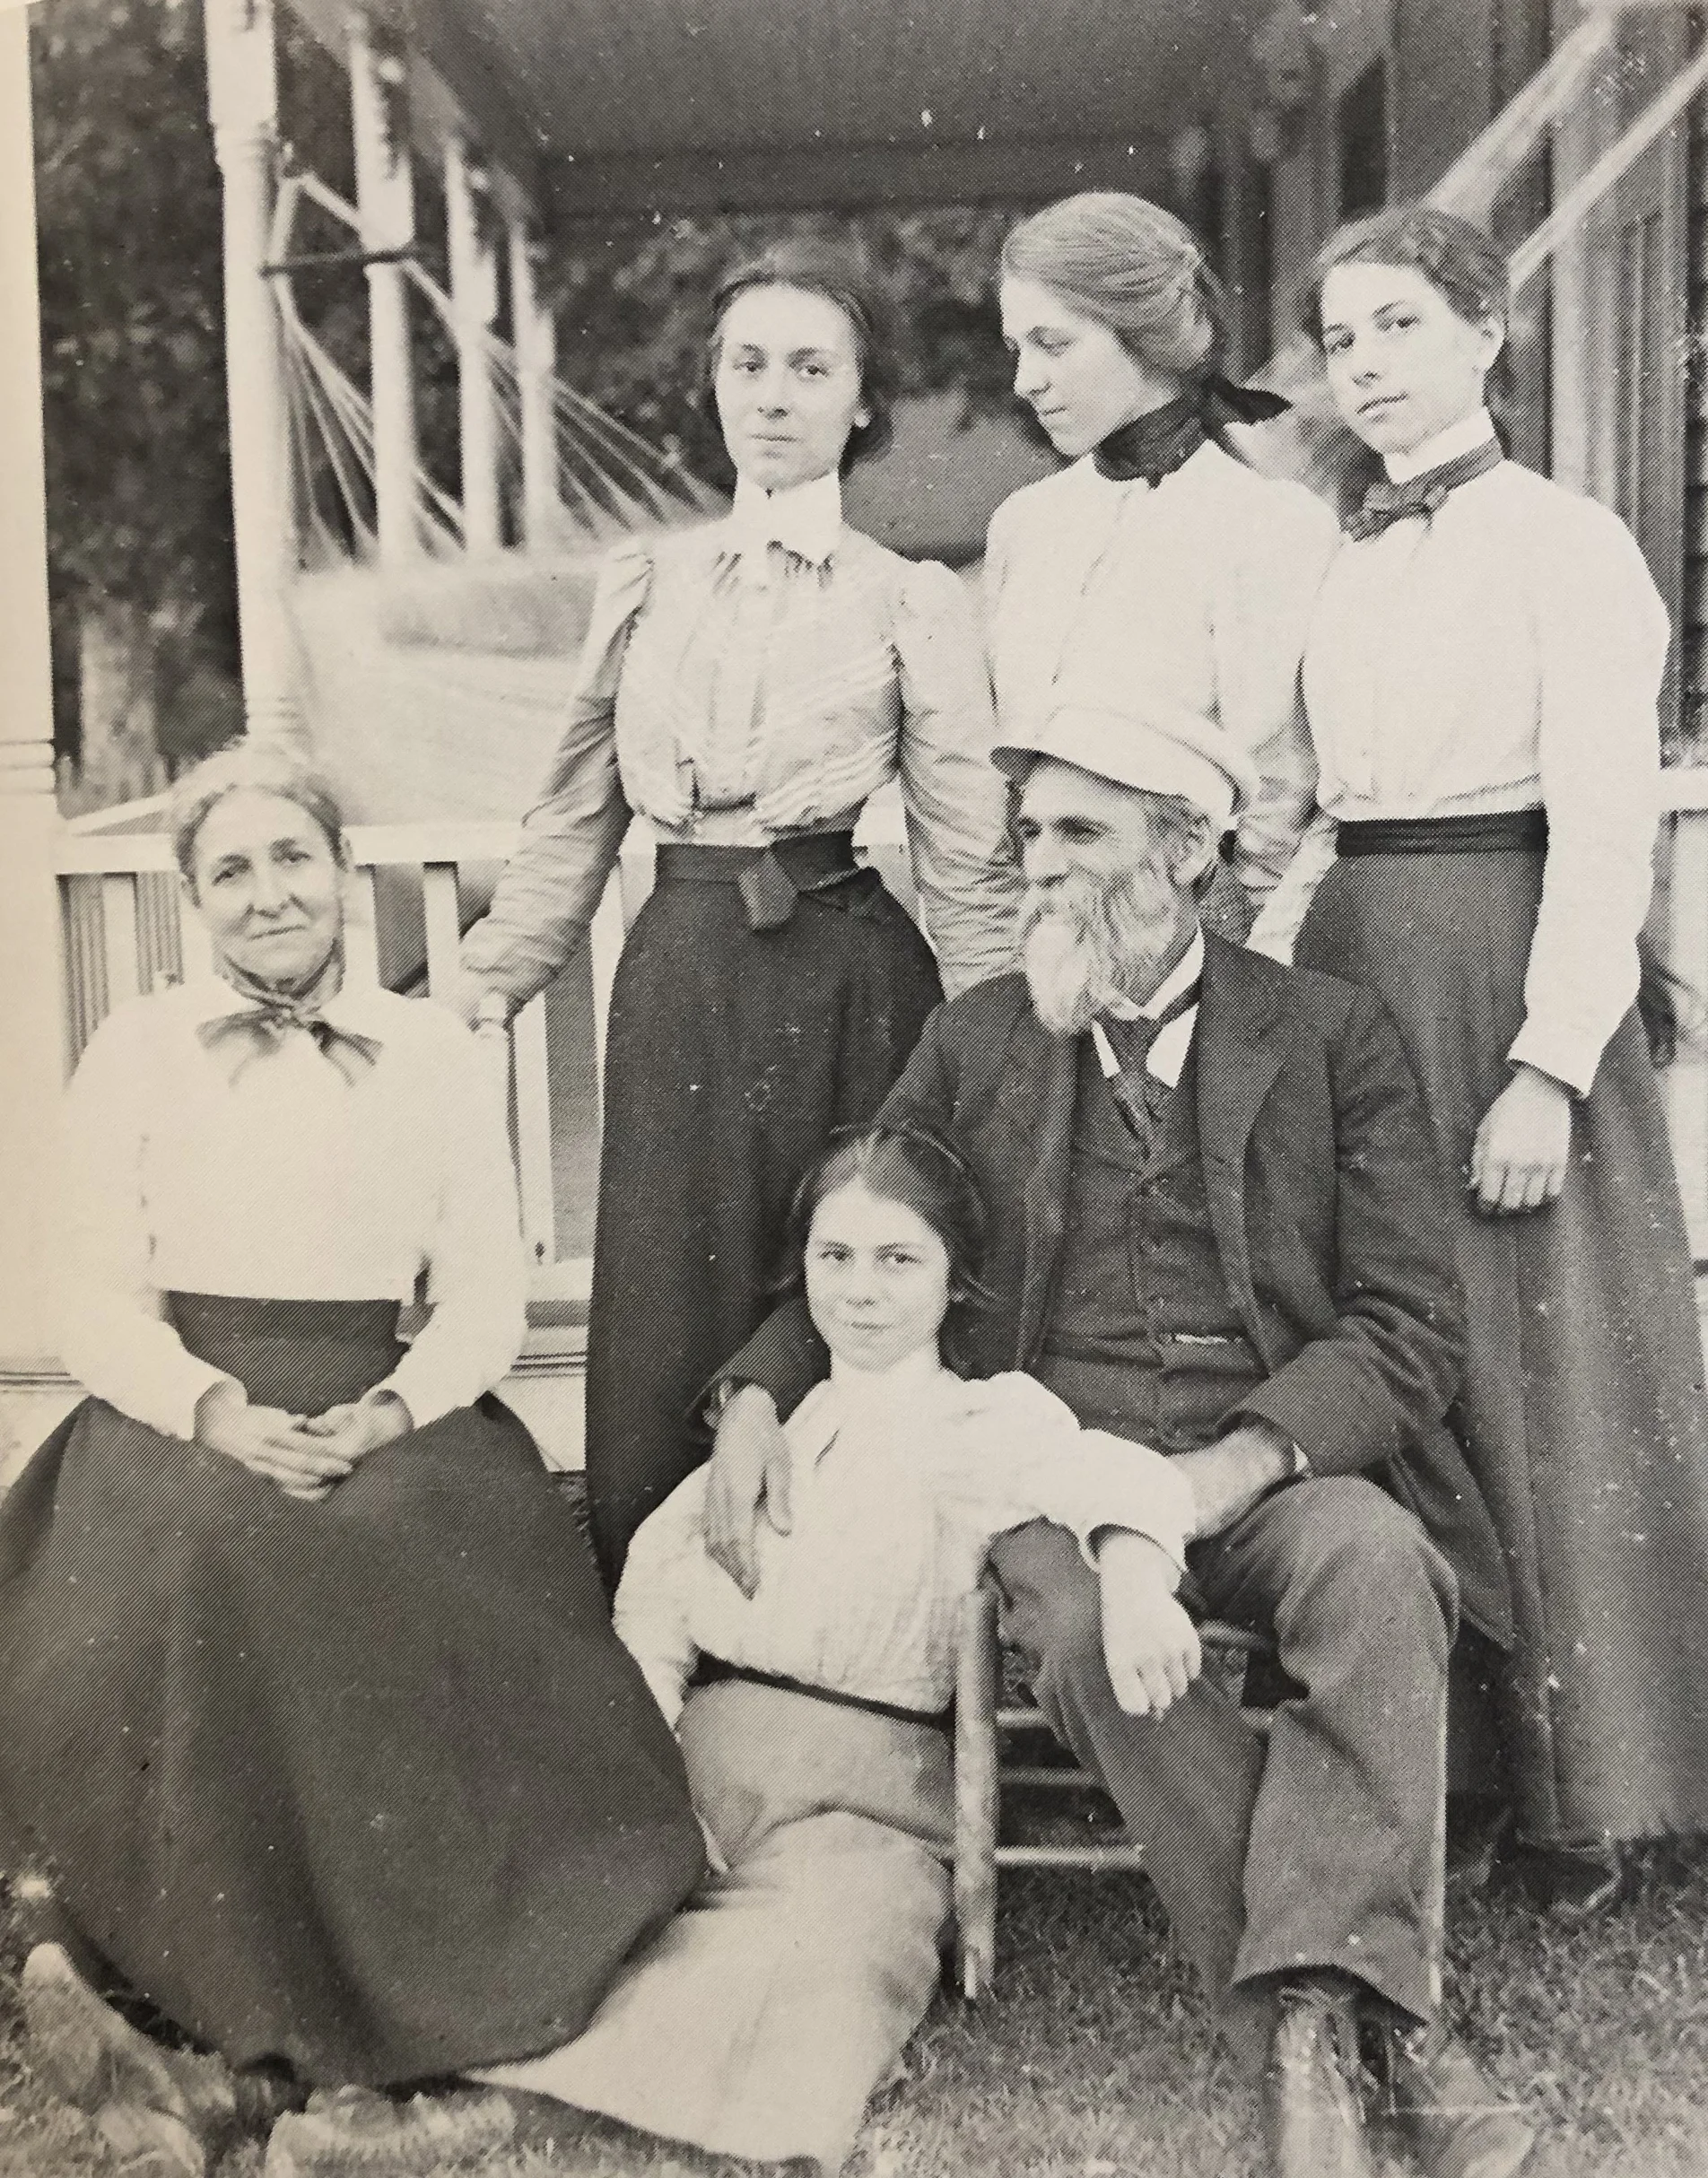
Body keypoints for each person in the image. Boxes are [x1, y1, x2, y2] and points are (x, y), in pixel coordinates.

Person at [704, 696, 1534, 2178]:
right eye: (1027, 832)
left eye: (1076, 831)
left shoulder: (1328, 1033)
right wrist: (761, 1388)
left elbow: (1406, 1322)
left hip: (1270, 1453)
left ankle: (1313, 2026)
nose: (1034, 863)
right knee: (1082, 1633)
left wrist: (1224, 1471)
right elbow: (868, 1226)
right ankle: (1355, 2028)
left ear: (1190, 853)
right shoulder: (974, 1040)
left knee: (1374, 1566)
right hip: (1049, 1457)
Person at [0, 745, 705, 2175]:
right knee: (212, 1555)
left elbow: (487, 1297)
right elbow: (83, 1290)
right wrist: (206, 1406)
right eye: (232, 872)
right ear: (196, 898)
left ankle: (404, 1993)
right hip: (179, 1409)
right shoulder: (138, 1049)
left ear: (345, 874)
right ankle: (208, 2001)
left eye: (293, 860)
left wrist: (392, 1410)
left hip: (387, 1404)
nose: (269, 897)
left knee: (399, 1559)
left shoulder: (433, 1053)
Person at [265, 1126, 1198, 2176]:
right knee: (547, 1888)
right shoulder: (767, 1433)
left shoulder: (982, 1421)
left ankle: (480, 2118)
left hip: (867, 1803)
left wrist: (1127, 1572)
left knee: (824, 1949)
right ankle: (295, 2068)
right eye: (833, 1259)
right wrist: (638, 1763)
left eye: (900, 1261)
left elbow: (1122, 1480)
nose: (860, 1291)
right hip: (695, 1771)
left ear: (955, 1280)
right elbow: (657, 1606)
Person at [1251, 203, 1708, 1900]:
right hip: (1361, 959)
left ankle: (1587, 1787)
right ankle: (1431, 1769)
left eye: (1396, 329)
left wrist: (1545, 1059)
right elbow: (1327, 804)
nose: (1363, 366)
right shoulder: (1343, 552)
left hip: (1503, 970)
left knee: (1532, 1360)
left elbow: (1606, 821)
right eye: (1341, 338)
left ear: (1481, 335)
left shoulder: (1563, 543)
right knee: (1389, 1342)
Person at [458, 238, 1018, 1590]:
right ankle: (663, 1618)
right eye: (748, 364)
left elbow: (963, 843)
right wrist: (487, 983)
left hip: (847, 973)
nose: (775, 395)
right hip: (681, 966)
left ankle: (846, 1616)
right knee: (669, 1287)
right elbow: (576, 809)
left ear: (861, 401)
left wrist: (1002, 1033)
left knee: (845, 1269)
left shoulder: (910, 598)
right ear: (714, 386)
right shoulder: (644, 584)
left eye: (811, 369)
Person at [988, 191, 1340, 934]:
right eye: (1017, 349)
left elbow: (1280, 791)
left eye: (1053, 345)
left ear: (1146, 335)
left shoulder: (1267, 524)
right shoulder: (1026, 526)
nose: (1026, 381)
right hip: (1043, 927)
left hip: (1195, 931)